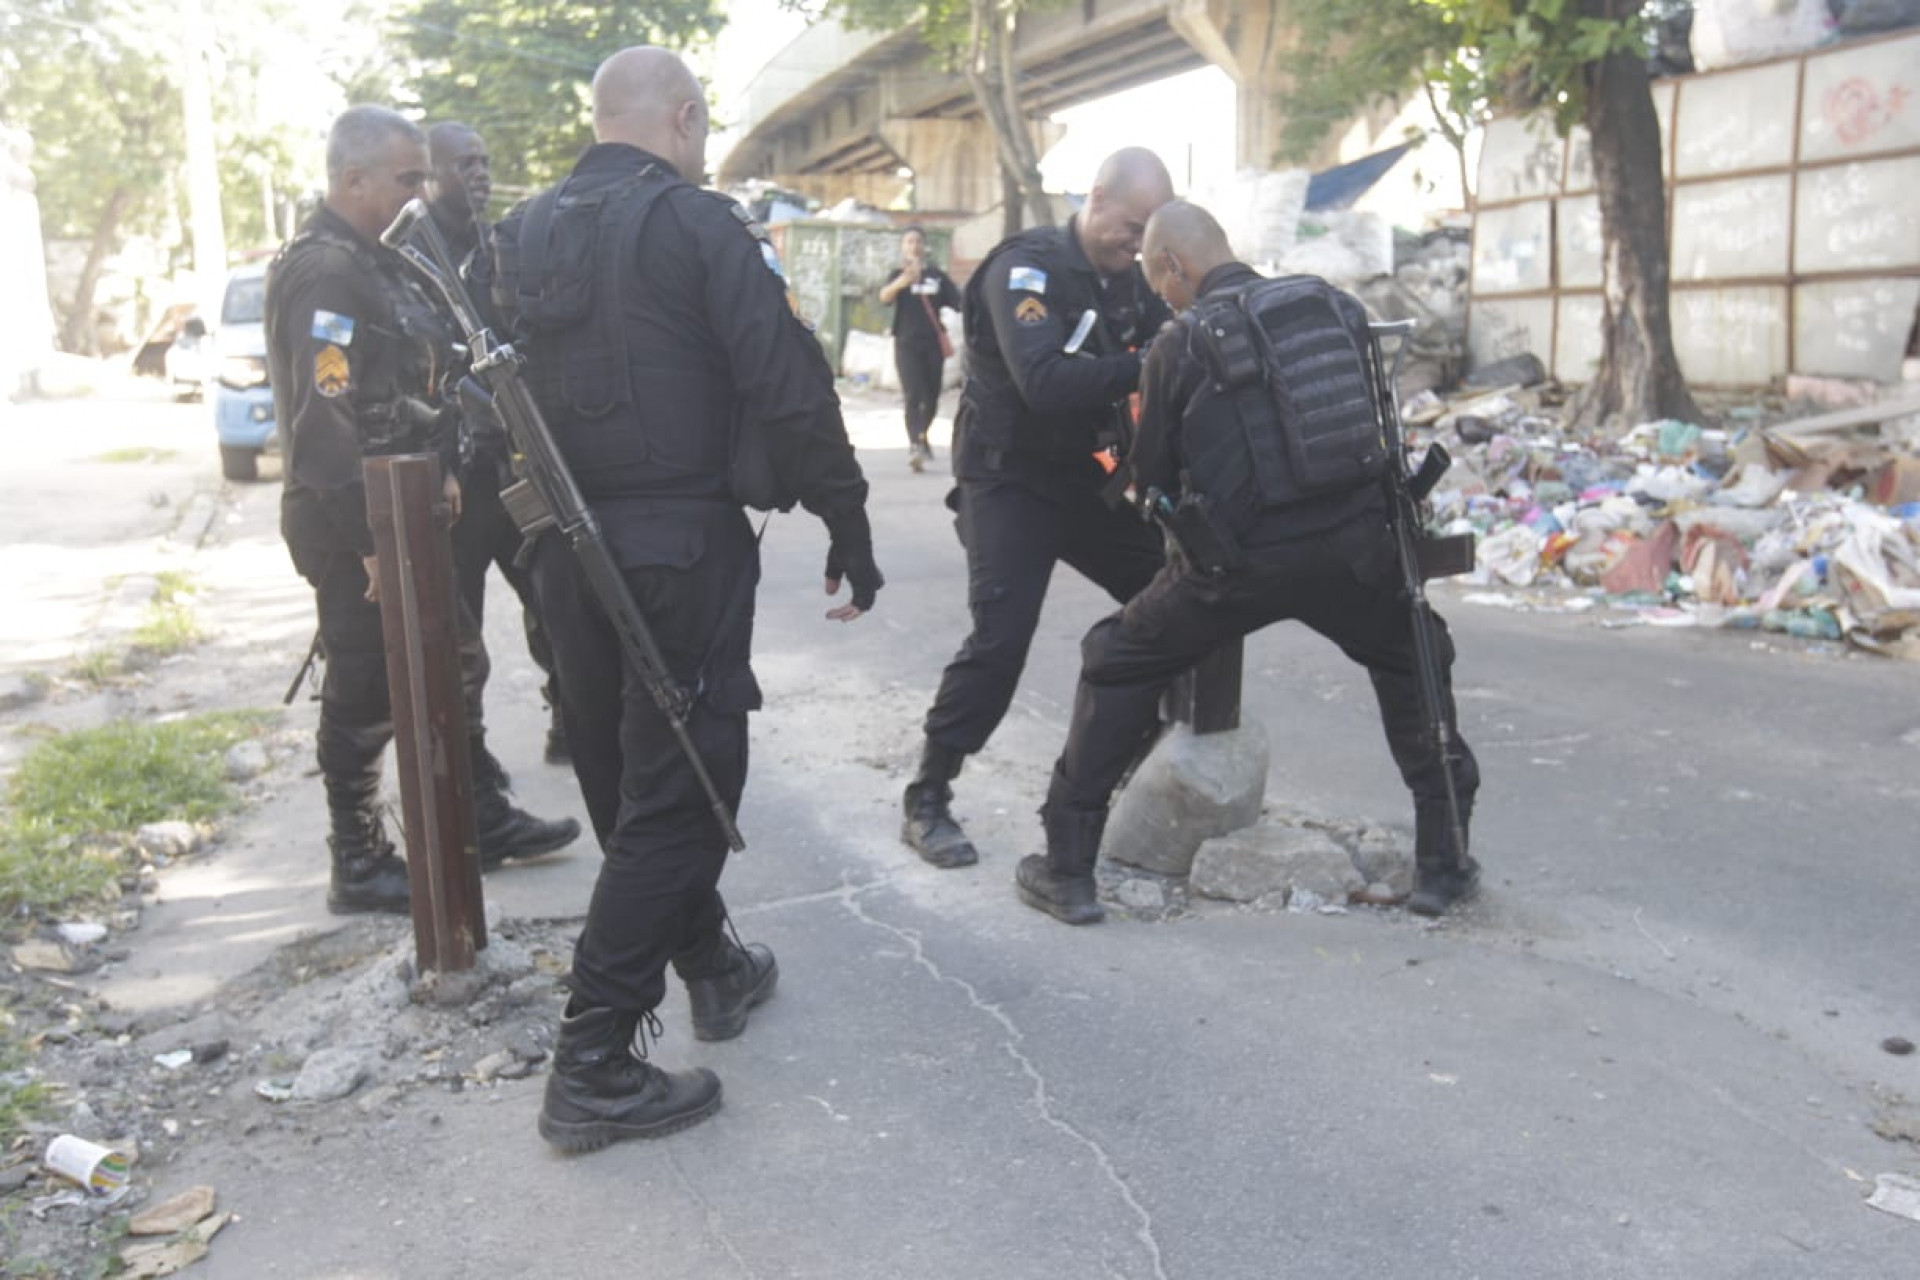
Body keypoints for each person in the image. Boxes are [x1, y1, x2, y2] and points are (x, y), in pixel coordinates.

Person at [488, 47, 883, 1152]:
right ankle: (594, 1062)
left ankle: (710, 964)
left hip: (564, 552)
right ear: (684, 115)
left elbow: (483, 419)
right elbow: (786, 381)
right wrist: (847, 520)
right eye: (700, 128)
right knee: (687, 784)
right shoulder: (699, 225)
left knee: (631, 776)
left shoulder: (517, 235)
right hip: (676, 546)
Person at [1015, 201, 1482, 926]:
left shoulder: (1183, 341)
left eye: (1156, 279)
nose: (1159, 296)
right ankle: (1444, 865)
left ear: (1173, 265)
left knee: (1116, 657)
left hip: (1237, 567)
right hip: (1358, 553)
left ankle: (1068, 870)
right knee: (1415, 657)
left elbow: (1156, 476)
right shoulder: (1332, 307)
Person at [265, 106, 581, 917]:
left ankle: (477, 811)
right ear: (352, 180)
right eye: (407, 178)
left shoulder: (380, 258)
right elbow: (325, 420)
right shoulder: (328, 273)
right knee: (368, 684)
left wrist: (438, 465)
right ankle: (359, 858)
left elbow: (406, 385)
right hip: (357, 524)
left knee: (453, 662)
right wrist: (364, 537)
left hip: (405, 506)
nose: (422, 190)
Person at [900, 148, 1176, 872]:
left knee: (1175, 600)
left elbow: (1171, 346)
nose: (1138, 243)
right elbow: (1046, 381)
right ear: (1095, 198)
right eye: (1131, 225)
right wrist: (1156, 362)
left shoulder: (1133, 284)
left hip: (1085, 475)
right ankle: (928, 794)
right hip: (1007, 477)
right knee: (1001, 638)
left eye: (1151, 234)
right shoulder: (1026, 269)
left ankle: (1119, 762)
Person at [426, 121, 571, 767]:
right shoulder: (409, 257)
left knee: (553, 599)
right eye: (465, 164)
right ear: (430, 176)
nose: (480, 173)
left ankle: (571, 720)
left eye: (484, 161)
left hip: (508, 468)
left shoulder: (499, 246)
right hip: (452, 480)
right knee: (460, 632)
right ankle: (472, 766)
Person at [877, 225, 960, 472]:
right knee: (913, 395)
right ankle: (915, 445)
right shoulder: (897, 274)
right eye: (909, 242)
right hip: (906, 343)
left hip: (933, 343)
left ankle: (923, 434)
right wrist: (903, 281)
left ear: (924, 247)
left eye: (918, 242)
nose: (914, 246)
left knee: (932, 396)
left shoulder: (936, 276)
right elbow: (884, 297)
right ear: (903, 247)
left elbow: (957, 301)